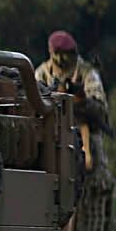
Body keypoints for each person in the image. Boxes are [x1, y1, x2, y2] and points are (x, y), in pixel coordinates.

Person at [35, 31, 110, 171]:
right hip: (51, 141)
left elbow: (101, 111)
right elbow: (34, 105)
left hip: (86, 144)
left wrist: (81, 101)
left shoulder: (87, 73)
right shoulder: (42, 74)